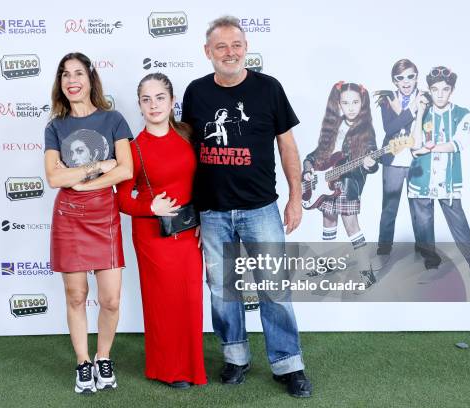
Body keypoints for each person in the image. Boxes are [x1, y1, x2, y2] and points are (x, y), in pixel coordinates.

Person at [181, 16, 312, 398]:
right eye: (221, 46)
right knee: (223, 291)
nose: (230, 52)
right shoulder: (196, 92)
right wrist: (192, 210)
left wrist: (295, 197)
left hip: (261, 209)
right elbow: (186, 153)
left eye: (236, 45)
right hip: (213, 211)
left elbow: (287, 146)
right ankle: (235, 357)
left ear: (246, 47)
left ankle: (288, 363)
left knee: (274, 288)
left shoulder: (268, 88)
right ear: (208, 52)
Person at [44, 52, 133, 394]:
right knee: (76, 295)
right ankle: (83, 362)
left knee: (110, 299)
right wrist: (98, 166)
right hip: (69, 218)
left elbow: (124, 169)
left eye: (78, 73)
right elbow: (54, 177)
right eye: (65, 74)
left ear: (90, 78)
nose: (71, 80)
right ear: (60, 83)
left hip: (104, 215)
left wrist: (82, 182)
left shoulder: (113, 120)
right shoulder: (55, 126)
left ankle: (103, 357)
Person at [116, 73, 207, 388]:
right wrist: (149, 208)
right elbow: (122, 199)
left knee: (190, 301)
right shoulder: (133, 147)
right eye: (146, 99)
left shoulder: (187, 136)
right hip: (153, 237)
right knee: (163, 305)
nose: (153, 105)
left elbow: (202, 183)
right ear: (139, 105)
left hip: (189, 233)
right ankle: (168, 370)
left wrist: (204, 220)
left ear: (171, 102)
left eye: (159, 98)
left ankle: (192, 367)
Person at [303, 82, 378, 286]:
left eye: (355, 102)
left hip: (348, 186)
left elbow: (372, 160)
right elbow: (318, 154)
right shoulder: (333, 126)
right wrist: (308, 169)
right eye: (346, 103)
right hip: (327, 183)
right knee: (328, 222)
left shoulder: (366, 130)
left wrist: (370, 163)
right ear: (339, 104)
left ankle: (366, 272)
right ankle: (328, 265)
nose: (351, 107)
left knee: (351, 226)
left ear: (362, 103)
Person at [408, 66, 470, 282]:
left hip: (448, 182)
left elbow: (457, 144)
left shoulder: (462, 114)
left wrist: (428, 148)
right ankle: (431, 264)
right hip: (421, 180)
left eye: (445, 89)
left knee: (459, 223)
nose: (439, 94)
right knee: (424, 225)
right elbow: (414, 145)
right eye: (435, 90)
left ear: (452, 90)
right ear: (429, 90)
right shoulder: (423, 113)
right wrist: (418, 113)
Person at [372, 59, 423, 269]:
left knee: (419, 208)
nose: (406, 81)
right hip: (393, 160)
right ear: (394, 80)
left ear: (416, 77)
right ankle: (384, 249)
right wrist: (411, 111)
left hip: (418, 159)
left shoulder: (425, 98)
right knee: (389, 207)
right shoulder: (387, 99)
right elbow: (389, 128)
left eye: (410, 76)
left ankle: (423, 249)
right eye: (401, 77)